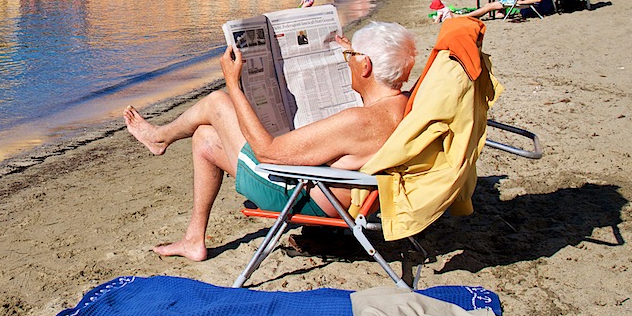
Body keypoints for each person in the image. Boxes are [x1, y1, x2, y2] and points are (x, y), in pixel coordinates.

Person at [122, 22, 418, 261]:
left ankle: (160, 138)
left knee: (217, 103)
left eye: (350, 57)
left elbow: (268, 153)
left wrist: (233, 84)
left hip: (300, 196)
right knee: (204, 138)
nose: (348, 61)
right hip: (348, 196)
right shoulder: (403, 106)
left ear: (365, 66)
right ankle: (193, 239)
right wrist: (348, 50)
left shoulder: (360, 122)